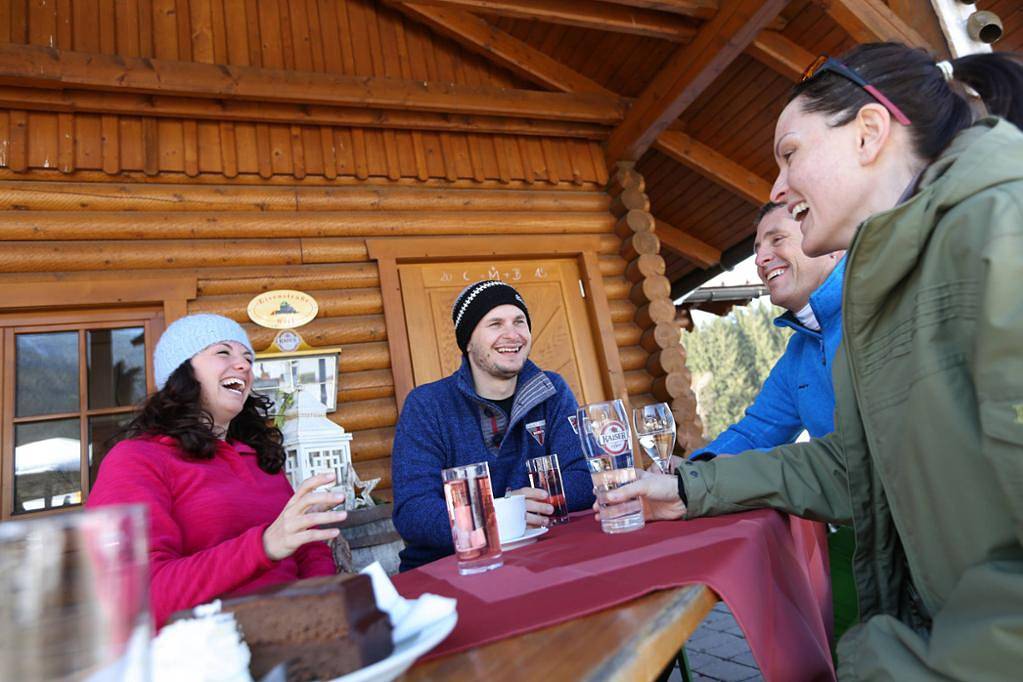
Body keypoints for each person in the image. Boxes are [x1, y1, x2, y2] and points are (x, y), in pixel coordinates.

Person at [601, 43, 1023, 680]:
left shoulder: (1001, 231)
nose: (776, 188)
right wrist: (687, 487)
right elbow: (857, 467)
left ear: (869, 133)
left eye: (790, 153)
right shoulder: (900, 284)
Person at [88, 313, 345, 629]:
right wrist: (262, 545)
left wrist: (319, 605)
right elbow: (134, 600)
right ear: (180, 371)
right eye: (223, 352)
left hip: (299, 638)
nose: (244, 366)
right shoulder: (135, 459)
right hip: (209, 657)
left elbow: (307, 548)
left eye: (248, 358)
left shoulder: (259, 457)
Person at [392, 280, 595, 571]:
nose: (511, 334)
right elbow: (414, 512)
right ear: (468, 341)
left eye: (519, 321)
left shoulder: (552, 391)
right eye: (495, 324)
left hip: (547, 557)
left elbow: (585, 477)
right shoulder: (427, 405)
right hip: (454, 569)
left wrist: (515, 504)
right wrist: (506, 510)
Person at [688, 202, 845, 459]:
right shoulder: (798, 354)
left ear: (831, 246)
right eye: (757, 250)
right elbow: (755, 433)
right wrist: (686, 477)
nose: (760, 260)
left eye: (778, 239)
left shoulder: (877, 309)